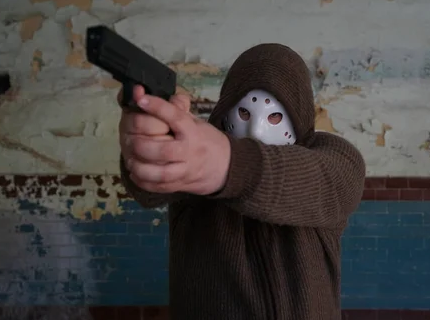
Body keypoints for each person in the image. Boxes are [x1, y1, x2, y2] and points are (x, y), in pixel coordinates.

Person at [118, 43, 366, 320]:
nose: (255, 130)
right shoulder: (194, 151)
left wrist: (229, 164)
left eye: (274, 116)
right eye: (245, 113)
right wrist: (151, 145)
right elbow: (147, 188)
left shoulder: (334, 157)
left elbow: (332, 183)